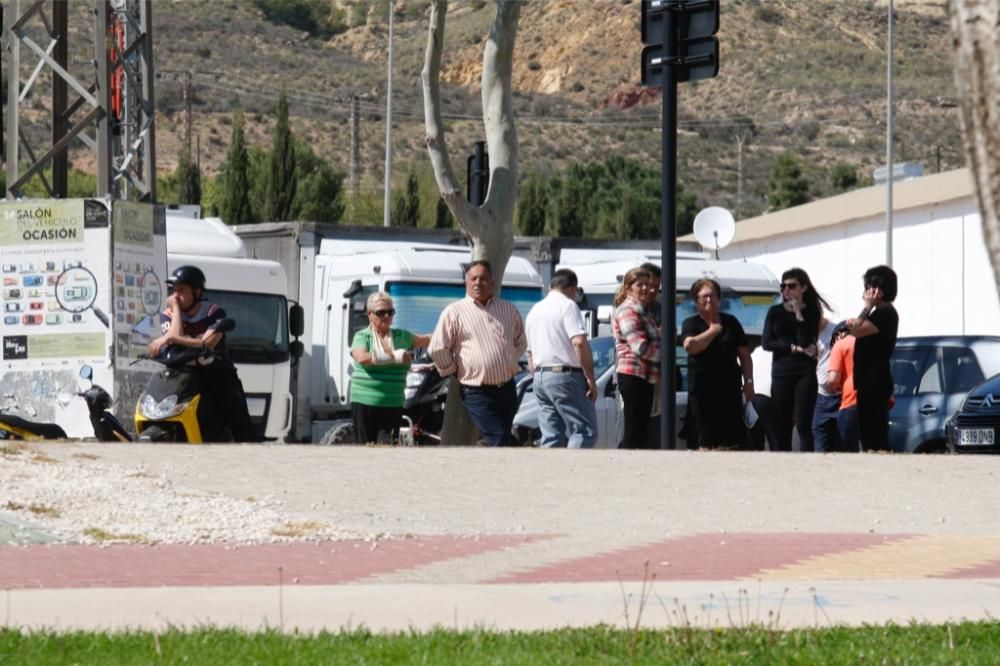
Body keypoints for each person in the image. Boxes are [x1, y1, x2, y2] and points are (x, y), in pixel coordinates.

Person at [148, 265, 258, 442]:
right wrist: (176, 309)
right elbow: (175, 335)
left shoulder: (214, 312)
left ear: (197, 292)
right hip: (185, 376)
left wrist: (170, 339)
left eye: (181, 290)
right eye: (174, 290)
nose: (175, 295)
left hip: (217, 375)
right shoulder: (169, 314)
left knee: (240, 424)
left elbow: (206, 343)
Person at [428, 260, 527, 446]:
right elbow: (437, 347)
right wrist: (453, 370)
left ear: (492, 282)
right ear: (466, 282)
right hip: (477, 391)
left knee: (503, 437)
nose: (478, 283)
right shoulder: (454, 312)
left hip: (507, 389)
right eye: (473, 278)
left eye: (483, 279)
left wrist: (509, 360)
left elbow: (520, 341)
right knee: (498, 438)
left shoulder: (508, 309)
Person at [524, 269, 599, 448]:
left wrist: (537, 376)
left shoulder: (535, 309)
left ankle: (550, 474)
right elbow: (579, 342)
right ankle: (572, 473)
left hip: (540, 376)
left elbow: (529, 353)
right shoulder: (568, 305)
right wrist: (590, 377)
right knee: (584, 431)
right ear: (573, 289)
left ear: (551, 286)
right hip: (564, 375)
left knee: (551, 435)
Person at [680, 278, 754, 449]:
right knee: (705, 440)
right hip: (702, 391)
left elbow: (744, 354)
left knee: (733, 440)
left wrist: (749, 382)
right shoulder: (691, 323)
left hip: (729, 389)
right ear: (696, 301)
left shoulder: (731, 322)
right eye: (704, 296)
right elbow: (690, 346)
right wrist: (713, 331)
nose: (709, 300)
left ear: (719, 299)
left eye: (713, 296)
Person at [762, 268, 830, 452]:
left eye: (792, 286)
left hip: (804, 373)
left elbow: (805, 341)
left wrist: (799, 314)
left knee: (803, 424)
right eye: (783, 286)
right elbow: (766, 343)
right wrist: (793, 348)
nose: (787, 290)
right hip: (781, 373)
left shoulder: (812, 312)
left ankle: (806, 461)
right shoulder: (774, 312)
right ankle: (783, 463)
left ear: (803, 288)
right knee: (782, 424)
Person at [350, 292, 431, 444]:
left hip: (392, 403)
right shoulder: (362, 337)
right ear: (370, 315)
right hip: (364, 402)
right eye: (381, 312)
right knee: (364, 451)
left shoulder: (403, 337)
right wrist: (396, 356)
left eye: (390, 312)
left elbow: (427, 339)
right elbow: (361, 357)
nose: (386, 316)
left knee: (386, 450)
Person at [847, 265, 899, 452]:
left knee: (875, 437)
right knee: (868, 436)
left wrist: (867, 306)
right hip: (866, 383)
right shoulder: (878, 314)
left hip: (875, 383)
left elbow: (855, 330)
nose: (866, 292)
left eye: (870, 287)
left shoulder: (886, 314)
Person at [612, 267, 660, 449]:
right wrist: (663, 355)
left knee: (640, 431)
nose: (646, 288)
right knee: (633, 430)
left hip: (645, 376)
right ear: (628, 288)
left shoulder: (642, 310)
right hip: (632, 375)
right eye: (640, 284)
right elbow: (639, 346)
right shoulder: (627, 310)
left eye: (648, 284)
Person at [812, 315, 844, 453]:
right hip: (821, 397)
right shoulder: (806, 333)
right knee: (821, 447)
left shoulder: (837, 331)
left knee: (841, 447)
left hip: (843, 398)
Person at [827, 323, 859, 452]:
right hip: (878, 401)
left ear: (839, 334)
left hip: (852, 401)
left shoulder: (841, 344)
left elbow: (833, 379)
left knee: (846, 452)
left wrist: (833, 386)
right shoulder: (872, 342)